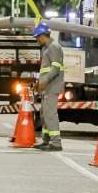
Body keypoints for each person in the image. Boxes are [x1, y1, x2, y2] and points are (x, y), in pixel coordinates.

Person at [33, 23, 65, 151]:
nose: (37, 41)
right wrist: (39, 82)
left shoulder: (54, 47)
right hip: (46, 87)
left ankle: (56, 143)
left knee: (50, 114)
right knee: (44, 114)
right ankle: (46, 139)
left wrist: (45, 81)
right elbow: (45, 70)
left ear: (41, 36)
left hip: (52, 86)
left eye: (37, 38)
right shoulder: (46, 48)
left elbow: (56, 68)